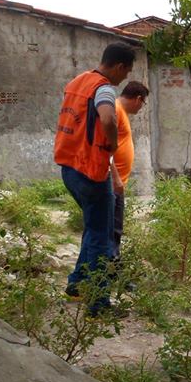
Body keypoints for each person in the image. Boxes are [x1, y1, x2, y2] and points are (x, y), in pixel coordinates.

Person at [54, 42, 135, 310]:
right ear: (119, 66)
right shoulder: (104, 88)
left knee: (92, 227)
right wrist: (112, 143)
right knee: (102, 236)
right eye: (126, 72)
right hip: (92, 172)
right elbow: (107, 119)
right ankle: (98, 304)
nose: (124, 78)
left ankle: (77, 285)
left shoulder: (77, 82)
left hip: (70, 168)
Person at [110, 81, 149, 258]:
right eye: (143, 103)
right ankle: (107, 267)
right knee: (110, 228)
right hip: (112, 183)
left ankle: (112, 265)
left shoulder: (121, 112)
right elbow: (104, 148)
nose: (141, 107)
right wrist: (115, 178)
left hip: (117, 183)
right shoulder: (115, 110)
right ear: (138, 99)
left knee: (115, 229)